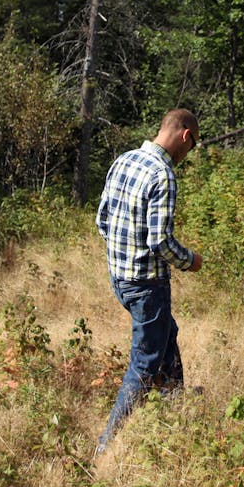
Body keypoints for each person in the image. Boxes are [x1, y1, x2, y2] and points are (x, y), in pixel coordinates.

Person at [95, 108, 203, 453]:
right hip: (147, 286)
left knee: (166, 333)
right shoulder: (163, 174)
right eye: (194, 144)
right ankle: (107, 444)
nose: (189, 153)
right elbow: (160, 242)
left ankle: (175, 403)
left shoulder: (124, 160)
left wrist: (121, 259)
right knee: (144, 360)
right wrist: (190, 261)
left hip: (120, 279)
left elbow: (102, 219)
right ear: (186, 136)